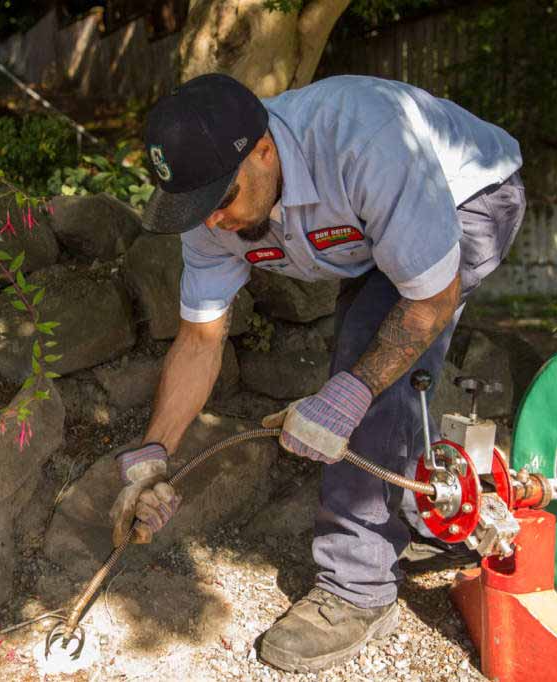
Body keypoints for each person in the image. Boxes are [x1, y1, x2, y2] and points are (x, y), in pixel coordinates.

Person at [109, 73, 525, 673]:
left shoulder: (363, 140)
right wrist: (155, 451)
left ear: (264, 150)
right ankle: (421, 503)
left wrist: (351, 392)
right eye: (194, 209)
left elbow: (430, 300)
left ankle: (357, 590)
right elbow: (201, 339)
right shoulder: (213, 212)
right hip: (373, 222)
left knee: (368, 359)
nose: (213, 224)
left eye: (220, 202)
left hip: (471, 194)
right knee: (375, 349)